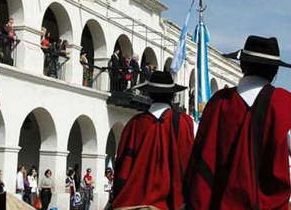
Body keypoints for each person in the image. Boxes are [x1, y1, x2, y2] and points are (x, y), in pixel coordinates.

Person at [184, 36, 291, 209]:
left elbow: (199, 160)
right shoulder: (284, 103)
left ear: (242, 66)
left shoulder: (218, 103)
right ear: (274, 72)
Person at [113, 71, 194, 210]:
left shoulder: (134, 124)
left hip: (134, 203)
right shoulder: (186, 123)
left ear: (150, 94)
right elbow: (191, 166)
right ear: (173, 95)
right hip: (173, 204)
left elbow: (122, 166)